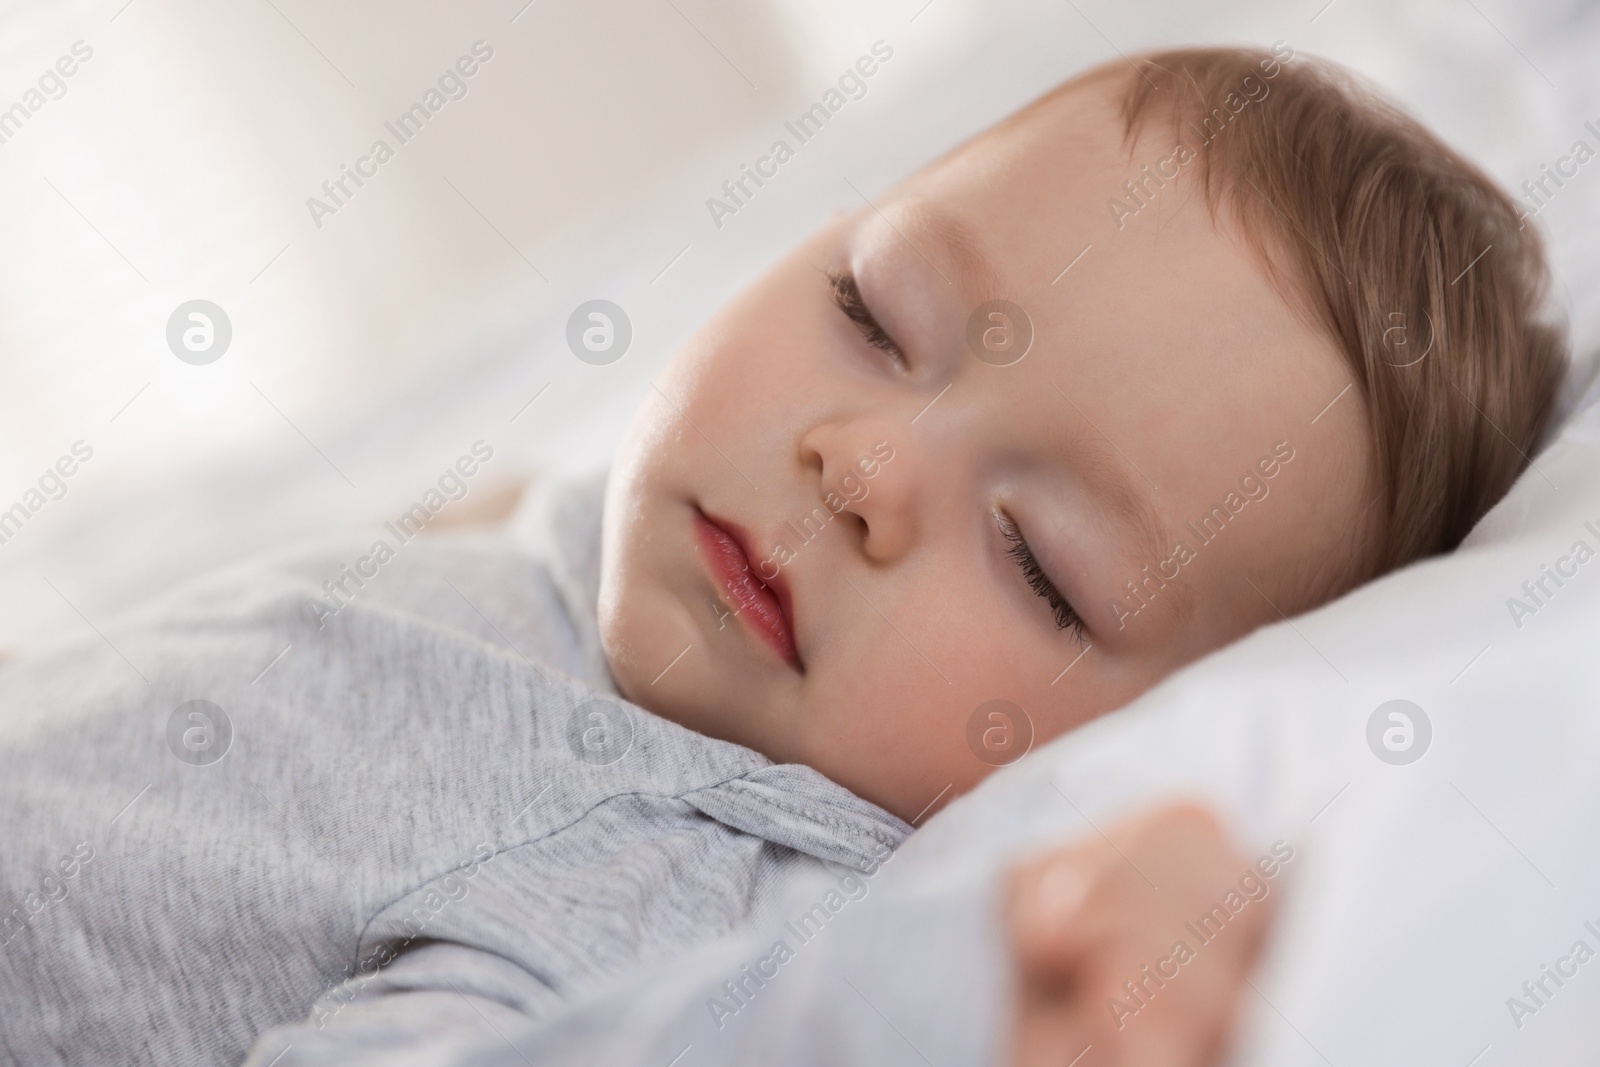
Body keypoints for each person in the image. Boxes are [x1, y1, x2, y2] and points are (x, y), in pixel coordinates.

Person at [0, 45, 1563, 1066]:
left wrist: (970, 995)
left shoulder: (670, 871)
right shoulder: (606, 547)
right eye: (873, 314)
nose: (862, 465)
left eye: (1037, 563)